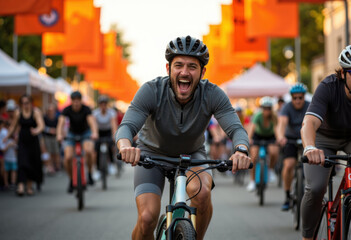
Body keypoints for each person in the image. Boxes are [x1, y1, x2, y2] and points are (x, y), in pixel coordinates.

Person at [115, 35, 251, 240]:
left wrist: (241, 149)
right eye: (178, 65)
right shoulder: (151, 90)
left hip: (192, 155)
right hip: (152, 156)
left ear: (202, 72)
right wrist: (125, 147)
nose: (184, 72)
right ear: (168, 68)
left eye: (192, 67)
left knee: (203, 193)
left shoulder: (213, 94)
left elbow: (236, 129)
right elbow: (126, 126)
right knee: (147, 218)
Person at [300, 46, 351, 240]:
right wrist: (310, 147)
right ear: (344, 73)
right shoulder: (328, 87)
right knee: (315, 188)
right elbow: (309, 123)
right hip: (325, 138)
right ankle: (307, 236)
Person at [276, 83, 310, 211]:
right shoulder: (286, 107)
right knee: (289, 165)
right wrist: (280, 137)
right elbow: (281, 124)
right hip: (289, 139)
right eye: (295, 98)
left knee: (311, 165)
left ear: (304, 97)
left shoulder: (309, 106)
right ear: (291, 98)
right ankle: (287, 196)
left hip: (306, 139)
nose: (298, 100)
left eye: (300, 97)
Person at [56, 91, 98, 193]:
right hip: (72, 134)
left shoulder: (86, 109)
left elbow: (92, 122)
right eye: (74, 101)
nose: (76, 103)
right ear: (71, 101)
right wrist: (59, 135)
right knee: (68, 157)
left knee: (88, 151)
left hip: (85, 133)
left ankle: (89, 174)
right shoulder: (67, 109)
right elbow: (60, 123)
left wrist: (95, 132)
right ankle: (71, 179)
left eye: (78, 101)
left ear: (80, 101)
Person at [4, 95, 44, 196]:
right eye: (23, 103)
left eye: (27, 103)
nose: (25, 105)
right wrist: (7, 136)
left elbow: (41, 125)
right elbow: (14, 126)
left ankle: (29, 187)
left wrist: (36, 130)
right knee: (22, 163)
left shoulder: (35, 112)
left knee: (31, 163)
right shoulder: (19, 113)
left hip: (33, 142)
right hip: (22, 141)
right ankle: (21, 186)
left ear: (31, 103)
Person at [246, 96, 279, 192]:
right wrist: (249, 139)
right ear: (262, 108)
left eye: (269, 108)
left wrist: (278, 139)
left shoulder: (274, 117)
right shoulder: (258, 116)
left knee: (274, 152)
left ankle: (270, 170)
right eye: (264, 108)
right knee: (253, 156)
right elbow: (252, 127)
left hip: (270, 136)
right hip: (258, 136)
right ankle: (252, 181)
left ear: (271, 109)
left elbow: (276, 129)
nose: (266, 110)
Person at [93, 95, 117, 175]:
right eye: (101, 104)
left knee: (110, 146)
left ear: (107, 104)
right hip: (99, 131)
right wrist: (95, 134)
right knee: (96, 149)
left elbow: (113, 124)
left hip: (108, 131)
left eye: (105, 104)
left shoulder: (111, 113)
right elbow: (94, 125)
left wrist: (114, 135)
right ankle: (97, 169)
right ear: (99, 105)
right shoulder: (95, 113)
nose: (103, 106)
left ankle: (111, 164)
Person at [43, 104, 61, 173]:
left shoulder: (57, 117)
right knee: (49, 152)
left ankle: (57, 166)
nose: (51, 111)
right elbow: (43, 126)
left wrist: (57, 130)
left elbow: (59, 126)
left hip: (55, 137)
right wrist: (49, 130)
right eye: (50, 110)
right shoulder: (45, 118)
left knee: (56, 152)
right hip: (48, 137)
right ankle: (51, 167)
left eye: (52, 110)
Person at [0, 119, 17, 189]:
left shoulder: (11, 134)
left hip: (12, 156)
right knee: (5, 169)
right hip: (5, 156)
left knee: (13, 169)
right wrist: (9, 145)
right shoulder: (3, 133)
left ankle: (12, 182)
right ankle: (5, 183)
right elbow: (3, 148)